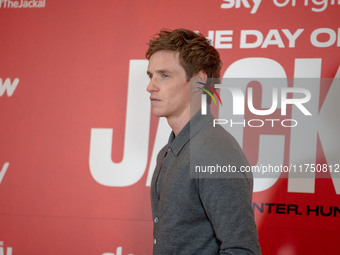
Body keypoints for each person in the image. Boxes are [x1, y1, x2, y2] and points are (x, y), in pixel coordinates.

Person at [146, 28, 261, 255]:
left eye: (164, 75)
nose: (150, 87)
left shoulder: (215, 154)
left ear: (199, 81)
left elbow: (242, 250)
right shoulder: (169, 151)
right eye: (150, 76)